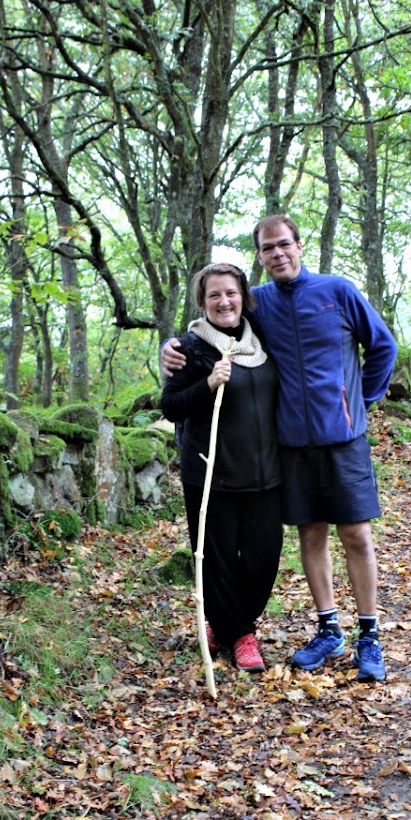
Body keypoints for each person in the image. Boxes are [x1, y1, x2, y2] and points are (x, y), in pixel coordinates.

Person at [162, 216, 398, 681]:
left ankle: (369, 635)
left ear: (299, 245)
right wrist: (168, 347)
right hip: (289, 445)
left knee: (356, 536)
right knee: (310, 536)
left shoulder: (338, 291)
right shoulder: (259, 304)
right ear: (260, 256)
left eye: (284, 244)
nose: (278, 254)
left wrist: (359, 400)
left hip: (343, 440)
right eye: (268, 248)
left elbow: (383, 347)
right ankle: (329, 629)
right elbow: (213, 328)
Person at [160, 262, 282, 673]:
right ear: (202, 301)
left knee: (264, 559)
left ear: (243, 297)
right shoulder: (187, 348)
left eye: (230, 292)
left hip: (265, 472)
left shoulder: (263, 340)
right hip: (209, 473)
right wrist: (208, 383)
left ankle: (226, 624)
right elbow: (171, 406)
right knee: (216, 559)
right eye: (214, 294)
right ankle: (241, 635)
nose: (223, 301)